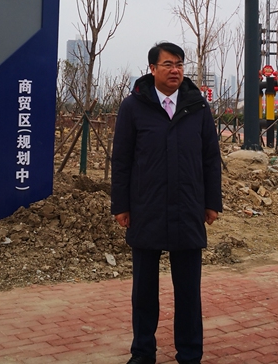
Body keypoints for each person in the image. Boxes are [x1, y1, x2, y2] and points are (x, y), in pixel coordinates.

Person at [111, 42, 222, 364]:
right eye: (168, 64)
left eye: (180, 64)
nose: (175, 70)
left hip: (188, 208)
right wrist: (121, 205)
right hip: (146, 208)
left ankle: (189, 353)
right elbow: (122, 160)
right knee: (144, 290)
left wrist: (211, 202)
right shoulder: (133, 107)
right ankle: (142, 351)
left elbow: (210, 158)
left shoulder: (197, 107)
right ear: (152, 69)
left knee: (188, 291)